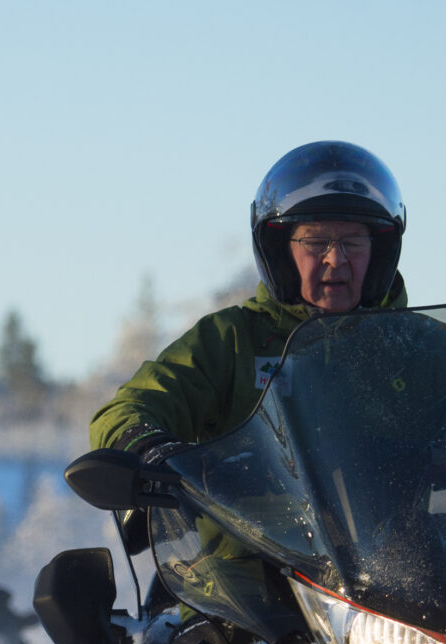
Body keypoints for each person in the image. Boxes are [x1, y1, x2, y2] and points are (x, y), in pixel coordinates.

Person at [89, 141, 409, 460]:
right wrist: (146, 447)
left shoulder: (419, 348)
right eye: (316, 241)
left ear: (378, 252)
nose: (336, 259)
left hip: (395, 514)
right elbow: (130, 408)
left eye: (353, 242)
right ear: (282, 252)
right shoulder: (232, 342)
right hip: (240, 513)